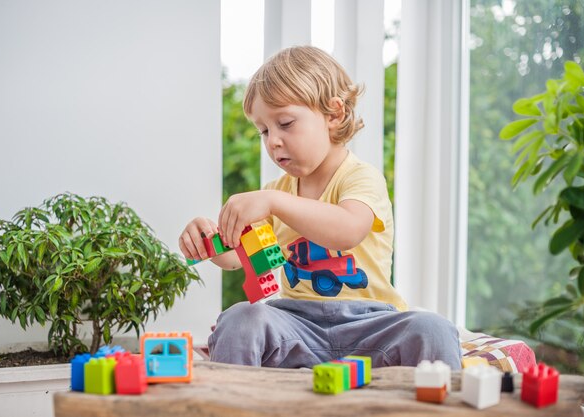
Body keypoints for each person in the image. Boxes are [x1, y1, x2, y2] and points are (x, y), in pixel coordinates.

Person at [179, 46, 462, 369]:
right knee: (241, 318)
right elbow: (235, 257)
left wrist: (274, 202)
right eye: (264, 130)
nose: (272, 141)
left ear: (334, 114)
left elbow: (347, 230)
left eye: (285, 123)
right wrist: (208, 241)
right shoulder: (278, 193)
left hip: (369, 325)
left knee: (433, 328)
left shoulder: (361, 178)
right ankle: (234, 403)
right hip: (298, 325)